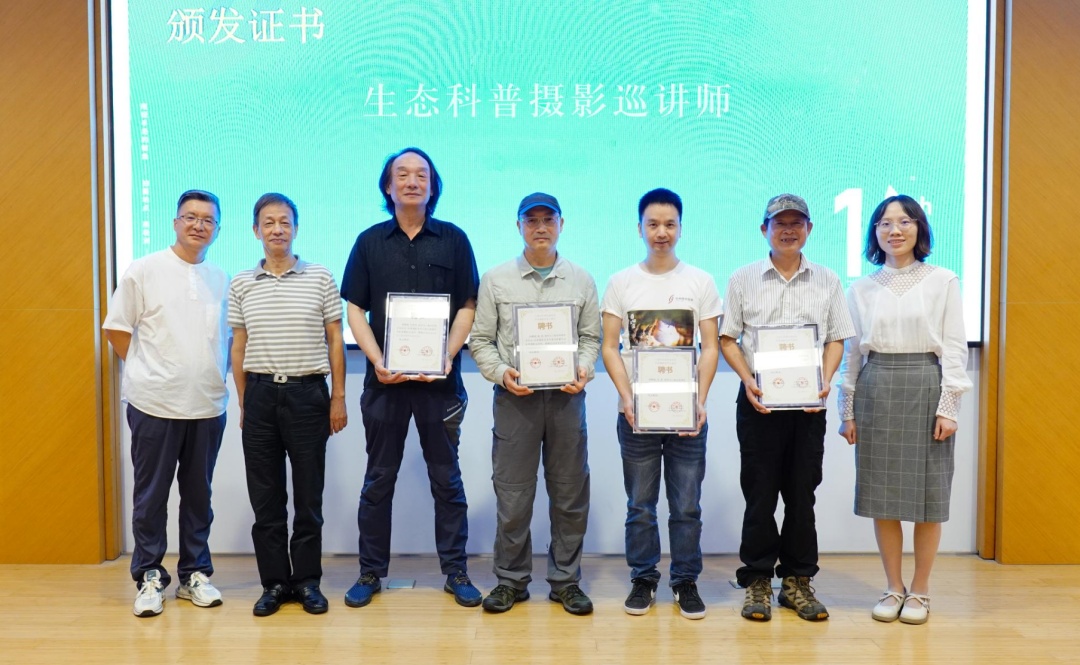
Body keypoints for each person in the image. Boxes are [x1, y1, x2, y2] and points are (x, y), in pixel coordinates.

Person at [340, 147, 482, 608]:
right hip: (385, 384)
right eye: (402, 174)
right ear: (388, 186)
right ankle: (369, 572)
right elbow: (354, 309)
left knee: (447, 480)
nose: (412, 181)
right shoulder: (368, 242)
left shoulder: (454, 240)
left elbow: (468, 305)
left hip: (440, 385)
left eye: (421, 174)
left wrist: (448, 354)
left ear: (433, 185)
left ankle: (456, 571)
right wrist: (377, 358)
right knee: (378, 479)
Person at [720, 193, 854, 622]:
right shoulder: (742, 279)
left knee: (801, 495)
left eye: (797, 223)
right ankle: (757, 579)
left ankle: (797, 581)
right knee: (759, 494)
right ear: (765, 230)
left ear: (809, 229)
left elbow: (836, 338)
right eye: (780, 223)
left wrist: (825, 382)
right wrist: (748, 379)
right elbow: (728, 338)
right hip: (758, 403)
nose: (789, 230)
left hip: (808, 406)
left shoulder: (827, 280)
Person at [838, 195, 970, 625]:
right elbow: (853, 354)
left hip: (926, 384)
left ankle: (921, 590)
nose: (894, 230)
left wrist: (949, 406)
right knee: (884, 498)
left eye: (905, 221)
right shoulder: (860, 288)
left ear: (919, 228)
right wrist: (847, 410)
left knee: (929, 496)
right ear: (874, 232)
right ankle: (893, 586)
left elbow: (954, 347)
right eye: (885, 223)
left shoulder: (943, 280)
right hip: (876, 386)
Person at [470, 193, 600, 615]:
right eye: (532, 220)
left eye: (549, 219)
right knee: (513, 495)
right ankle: (510, 580)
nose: (540, 227)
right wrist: (501, 373)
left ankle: (566, 581)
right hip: (515, 401)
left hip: (566, 401)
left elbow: (591, 338)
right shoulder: (496, 279)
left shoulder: (581, 280)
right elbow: (480, 341)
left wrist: (583, 367)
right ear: (519, 226)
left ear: (562, 224)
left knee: (569, 493)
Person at [103, 190, 230, 617]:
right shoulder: (144, 270)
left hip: (207, 406)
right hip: (154, 405)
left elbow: (227, 340)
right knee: (151, 497)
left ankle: (195, 574)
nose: (198, 225)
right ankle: (149, 577)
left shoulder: (221, 278)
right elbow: (117, 329)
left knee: (198, 498)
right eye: (190, 217)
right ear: (175, 222)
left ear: (217, 229)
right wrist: (147, 371)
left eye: (207, 220)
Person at [600, 188, 721, 620]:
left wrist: (699, 401)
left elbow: (710, 347)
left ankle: (685, 581)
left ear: (681, 229)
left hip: (688, 415)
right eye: (653, 224)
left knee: (686, 506)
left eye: (670, 224)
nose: (661, 232)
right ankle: (644, 578)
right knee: (640, 505)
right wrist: (627, 397)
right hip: (636, 415)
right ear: (639, 229)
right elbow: (609, 347)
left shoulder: (700, 282)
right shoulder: (621, 282)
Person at [228, 193, 348, 616]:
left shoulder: (320, 276)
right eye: (269, 222)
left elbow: (335, 338)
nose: (277, 229)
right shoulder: (241, 283)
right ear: (255, 230)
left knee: (309, 498)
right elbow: (238, 345)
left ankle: (308, 581)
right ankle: (275, 583)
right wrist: (244, 401)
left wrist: (338, 397)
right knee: (266, 500)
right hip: (260, 395)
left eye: (284, 222)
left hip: (307, 394)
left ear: (296, 228)